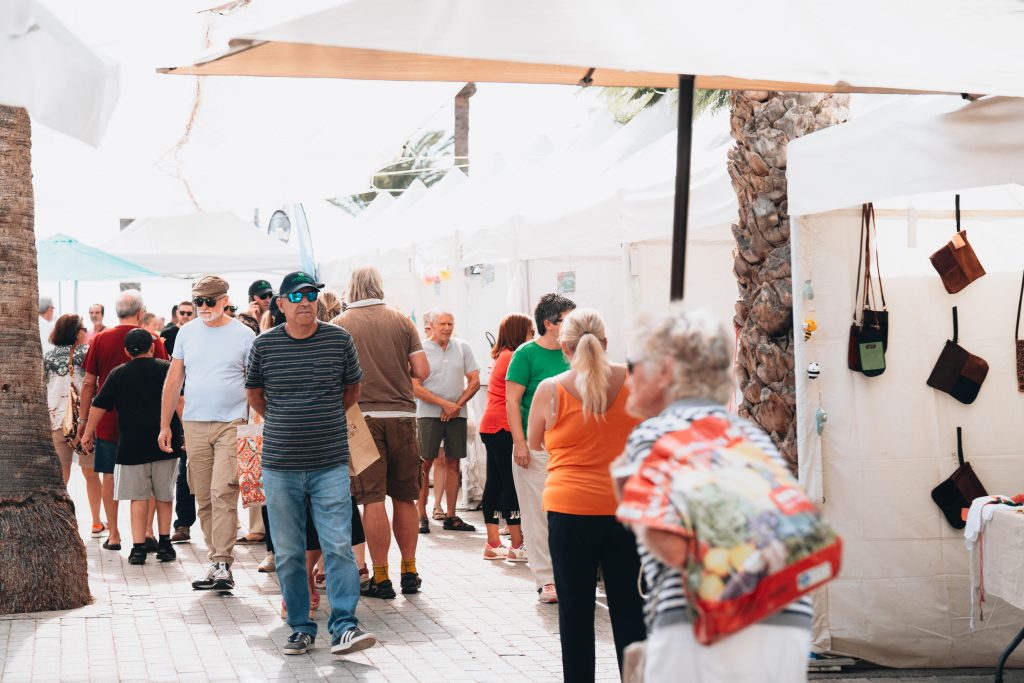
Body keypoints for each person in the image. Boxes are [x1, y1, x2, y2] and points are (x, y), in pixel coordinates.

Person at [614, 307, 813, 683]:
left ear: (666, 370)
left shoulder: (655, 434)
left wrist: (632, 504)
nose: (628, 377)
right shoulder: (750, 436)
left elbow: (674, 547)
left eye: (635, 363)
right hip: (786, 617)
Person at [246, 270, 377, 656]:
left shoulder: (339, 339)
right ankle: (300, 627)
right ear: (281, 304)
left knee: (337, 545)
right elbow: (255, 394)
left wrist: (320, 418)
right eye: (297, 296)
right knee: (287, 552)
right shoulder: (265, 345)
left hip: (330, 462)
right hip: (280, 464)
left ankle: (344, 627)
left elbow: (351, 390)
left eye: (311, 295)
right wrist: (289, 421)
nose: (306, 302)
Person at [527, 309, 646, 681]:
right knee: (630, 608)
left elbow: (534, 443)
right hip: (625, 509)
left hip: (569, 510)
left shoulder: (550, 390)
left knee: (575, 610)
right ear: (606, 343)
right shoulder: (637, 381)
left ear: (564, 347)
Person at [331, 266, 428, 600]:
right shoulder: (402, 320)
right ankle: (410, 570)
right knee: (405, 496)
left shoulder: (340, 325)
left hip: (361, 419)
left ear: (352, 287)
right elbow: (422, 370)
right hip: (402, 415)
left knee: (371, 499)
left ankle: (381, 577)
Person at [158, 276, 255, 591]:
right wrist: (164, 425)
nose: (203, 308)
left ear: (225, 300)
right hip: (195, 424)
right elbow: (174, 381)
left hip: (232, 422)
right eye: (197, 301)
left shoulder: (244, 334)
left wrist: (254, 427)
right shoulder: (186, 333)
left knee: (223, 492)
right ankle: (216, 561)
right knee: (202, 496)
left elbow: (255, 384)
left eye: (209, 302)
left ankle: (222, 563)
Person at [81, 330, 182, 566]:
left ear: (127, 352)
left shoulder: (118, 373)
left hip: (131, 444)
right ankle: (165, 545)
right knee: (164, 495)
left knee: (138, 497)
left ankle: (137, 549)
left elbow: (99, 405)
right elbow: (180, 400)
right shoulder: (166, 368)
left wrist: (87, 432)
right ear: (153, 347)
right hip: (165, 441)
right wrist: (185, 431)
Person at [78, 290, 169, 551]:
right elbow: (166, 380)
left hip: (108, 420)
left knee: (110, 477)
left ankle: (115, 534)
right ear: (140, 313)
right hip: (146, 420)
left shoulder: (101, 338)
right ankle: (148, 532)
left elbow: (88, 383)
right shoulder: (152, 339)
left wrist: (84, 422)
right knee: (149, 476)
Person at [505, 293, 575, 604]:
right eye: (568, 320)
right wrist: (520, 443)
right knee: (538, 514)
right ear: (549, 324)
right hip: (535, 448)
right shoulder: (526, 354)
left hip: (570, 447)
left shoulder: (572, 353)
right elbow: (512, 400)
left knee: (567, 513)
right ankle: (546, 579)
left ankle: (569, 574)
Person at [414, 309, 481, 532]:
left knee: (454, 463)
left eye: (450, 323)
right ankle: (421, 514)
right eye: (442, 323)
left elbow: (474, 381)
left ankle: (451, 516)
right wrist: (443, 404)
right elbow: (414, 386)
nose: (447, 328)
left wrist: (457, 406)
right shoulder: (420, 349)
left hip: (456, 414)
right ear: (430, 326)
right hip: (428, 414)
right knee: (425, 463)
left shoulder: (463, 347)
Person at [478, 313, 532, 561]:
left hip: (492, 424)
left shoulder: (502, 355)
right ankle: (517, 544)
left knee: (496, 481)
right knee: (509, 482)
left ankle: (493, 543)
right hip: (503, 425)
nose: (533, 336)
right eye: (530, 331)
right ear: (519, 332)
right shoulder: (512, 356)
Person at [43, 314, 103, 535]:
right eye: (83, 328)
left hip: (56, 421)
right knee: (90, 474)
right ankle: (96, 521)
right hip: (82, 423)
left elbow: (44, 388)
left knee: (62, 475)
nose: (86, 331)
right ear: (76, 332)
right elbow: (92, 384)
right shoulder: (86, 353)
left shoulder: (48, 357)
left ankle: (59, 520)